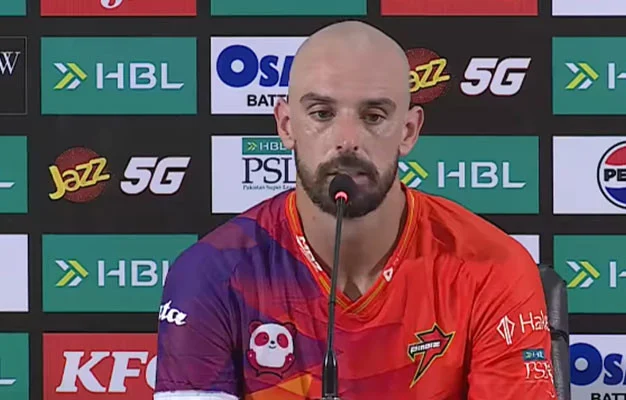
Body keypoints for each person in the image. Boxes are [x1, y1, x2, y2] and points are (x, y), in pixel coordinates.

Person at [154, 20, 558, 400]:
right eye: (322, 113)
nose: (347, 140)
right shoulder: (211, 274)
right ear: (286, 125)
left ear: (408, 131)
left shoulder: (492, 267)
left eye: (374, 116)